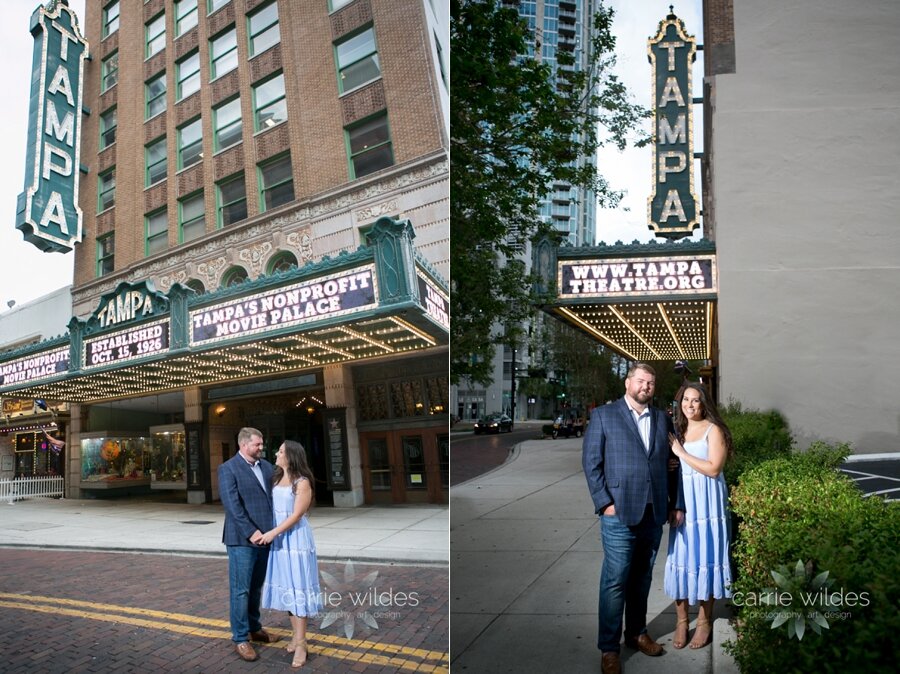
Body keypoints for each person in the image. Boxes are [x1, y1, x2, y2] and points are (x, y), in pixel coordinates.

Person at [582, 363, 685, 674]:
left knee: (641, 580)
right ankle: (609, 649)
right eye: (641, 381)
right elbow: (591, 463)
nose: (646, 387)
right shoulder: (604, 415)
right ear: (628, 383)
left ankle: (637, 634)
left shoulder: (662, 419)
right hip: (619, 515)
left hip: (653, 515)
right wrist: (605, 504)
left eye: (651, 383)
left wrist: (673, 502)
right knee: (614, 582)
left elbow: (673, 462)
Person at [663, 382, 733, 649]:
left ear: (704, 404)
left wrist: (681, 453)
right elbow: (675, 467)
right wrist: (672, 461)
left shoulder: (714, 430)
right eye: (685, 400)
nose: (689, 405)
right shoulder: (677, 430)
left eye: (695, 400)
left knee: (707, 555)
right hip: (684, 504)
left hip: (708, 504)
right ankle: (682, 621)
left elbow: (714, 468)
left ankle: (704, 622)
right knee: (681, 557)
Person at [218, 427, 281, 662]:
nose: (261, 447)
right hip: (241, 540)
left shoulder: (266, 467)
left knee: (255, 588)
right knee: (240, 589)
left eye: (262, 443)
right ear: (244, 445)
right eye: (257, 444)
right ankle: (241, 638)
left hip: (265, 538)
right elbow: (232, 506)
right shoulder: (228, 469)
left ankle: (255, 629)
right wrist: (251, 532)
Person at [260, 440, 323, 668]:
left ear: (291, 456)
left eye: (281, 451)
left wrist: (272, 533)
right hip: (279, 541)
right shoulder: (276, 478)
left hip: (295, 540)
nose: (276, 453)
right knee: (288, 587)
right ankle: (296, 638)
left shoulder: (302, 482)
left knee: (298, 588)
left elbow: (296, 515)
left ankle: (302, 643)